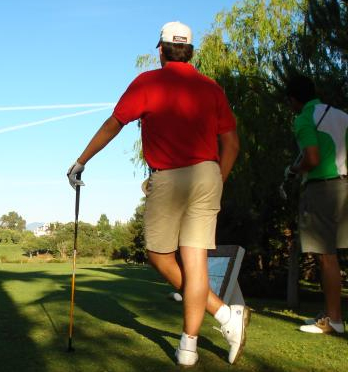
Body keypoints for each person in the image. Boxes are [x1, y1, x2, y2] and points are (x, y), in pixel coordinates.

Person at [67, 21, 247, 366]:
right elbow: (232, 143)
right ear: (189, 51)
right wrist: (218, 181)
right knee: (195, 263)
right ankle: (198, 339)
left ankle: (219, 318)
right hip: (208, 175)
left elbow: (114, 123)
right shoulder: (211, 87)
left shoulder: (148, 82)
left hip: (170, 177)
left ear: (161, 49)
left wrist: (81, 160)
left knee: (158, 255)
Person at [284, 73, 347, 334]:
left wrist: (294, 169)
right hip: (345, 185)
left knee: (327, 257)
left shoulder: (304, 118)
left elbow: (311, 158)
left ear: (294, 100)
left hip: (322, 189)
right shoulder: (342, 115)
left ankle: (333, 320)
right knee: (336, 255)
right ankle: (331, 314)